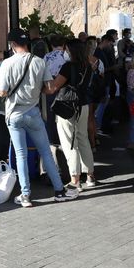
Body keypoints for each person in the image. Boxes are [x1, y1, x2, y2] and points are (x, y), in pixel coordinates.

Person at [0, 28, 79, 207]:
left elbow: (1, 92)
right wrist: (34, 90)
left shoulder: (7, 63)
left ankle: (25, 195)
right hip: (34, 113)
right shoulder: (39, 62)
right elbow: (49, 88)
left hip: (14, 114)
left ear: (12, 44)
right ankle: (59, 190)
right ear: (27, 43)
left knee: (20, 155)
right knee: (46, 152)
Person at [46, 39, 96, 189]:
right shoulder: (88, 66)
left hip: (67, 106)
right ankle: (90, 176)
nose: (64, 53)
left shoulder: (68, 67)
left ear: (71, 51)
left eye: (66, 50)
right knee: (83, 138)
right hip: (83, 105)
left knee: (69, 141)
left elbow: (54, 87)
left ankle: (75, 179)